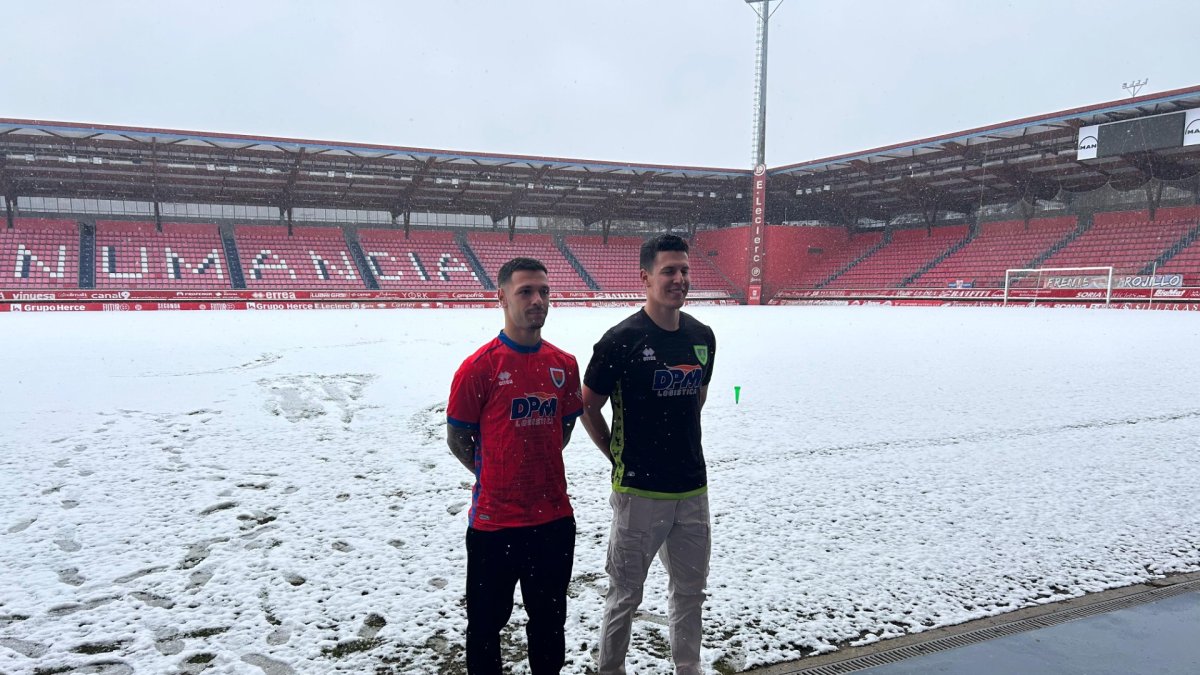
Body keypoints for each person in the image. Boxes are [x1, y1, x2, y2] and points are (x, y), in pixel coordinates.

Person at [580, 233, 717, 675]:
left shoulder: (702, 336)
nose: (679, 279)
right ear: (645, 278)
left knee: (690, 590)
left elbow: (696, 396)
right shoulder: (622, 340)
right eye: (668, 272)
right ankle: (611, 670)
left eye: (684, 270)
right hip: (639, 492)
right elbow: (587, 404)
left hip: (692, 489)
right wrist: (615, 454)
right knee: (625, 594)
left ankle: (688, 667)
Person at [446, 257, 583, 675]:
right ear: (501, 296)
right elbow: (458, 439)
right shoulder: (478, 368)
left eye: (543, 291)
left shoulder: (564, 363)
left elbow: (563, 429)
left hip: (553, 521)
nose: (537, 299)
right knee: (485, 627)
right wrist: (497, 475)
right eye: (526, 291)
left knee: (549, 624)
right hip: (495, 524)